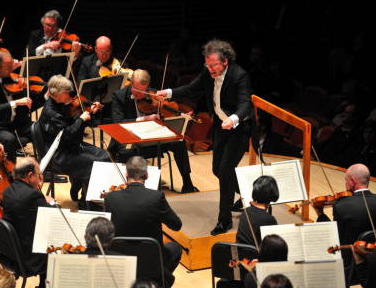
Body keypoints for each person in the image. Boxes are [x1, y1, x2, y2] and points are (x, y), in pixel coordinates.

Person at [156, 39, 253, 235]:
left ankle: (224, 220)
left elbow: (245, 104)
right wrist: (168, 93)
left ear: (225, 61)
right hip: (220, 125)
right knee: (217, 169)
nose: (210, 69)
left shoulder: (240, 76)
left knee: (225, 171)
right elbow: (192, 88)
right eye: (207, 65)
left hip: (239, 128)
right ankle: (249, 196)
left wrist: (233, 119)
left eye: (213, 65)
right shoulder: (208, 72)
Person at [110, 68, 198, 193]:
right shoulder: (119, 96)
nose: (140, 94)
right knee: (125, 152)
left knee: (179, 142)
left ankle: (187, 183)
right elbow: (118, 123)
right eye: (136, 89)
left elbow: (168, 111)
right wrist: (144, 119)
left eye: (143, 90)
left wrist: (182, 115)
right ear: (131, 83)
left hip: (151, 138)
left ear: (147, 87)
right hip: (130, 139)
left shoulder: (154, 95)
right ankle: (131, 189)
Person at [104, 156, 182, 288]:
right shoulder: (156, 197)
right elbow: (176, 225)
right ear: (146, 175)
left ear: (126, 175)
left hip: (120, 258)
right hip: (151, 261)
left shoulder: (110, 198)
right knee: (175, 248)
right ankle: (155, 283)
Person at [38, 74, 109, 206]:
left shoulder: (60, 104)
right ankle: (85, 201)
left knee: (105, 156)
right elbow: (68, 134)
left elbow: (72, 125)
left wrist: (90, 112)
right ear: (56, 93)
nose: (70, 96)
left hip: (69, 146)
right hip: (58, 154)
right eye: (66, 93)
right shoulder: (51, 111)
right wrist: (81, 119)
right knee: (95, 163)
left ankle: (77, 182)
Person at [314, 163, 376, 275]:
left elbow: (335, 236)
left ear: (352, 181)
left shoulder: (341, 206)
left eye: (346, 180)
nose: (345, 184)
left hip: (350, 265)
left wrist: (320, 213)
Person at [2, 157, 55, 288]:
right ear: (30, 176)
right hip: (27, 259)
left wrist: (39, 194)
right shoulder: (32, 196)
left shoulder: (9, 191)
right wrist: (51, 202)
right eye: (39, 175)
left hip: (10, 252)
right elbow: (52, 217)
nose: (40, 177)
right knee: (58, 247)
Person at [0, 51, 38, 163]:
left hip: (16, 122)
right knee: (8, 139)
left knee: (38, 128)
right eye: (9, 66)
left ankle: (47, 165)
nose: (12, 69)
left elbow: (29, 105)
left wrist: (34, 92)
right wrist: (16, 102)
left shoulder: (11, 78)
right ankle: (11, 172)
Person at [77, 35, 133, 100]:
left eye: (107, 52)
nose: (104, 56)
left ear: (111, 50)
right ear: (96, 49)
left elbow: (125, 91)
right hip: (91, 101)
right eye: (101, 52)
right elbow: (80, 84)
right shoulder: (87, 61)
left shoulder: (121, 65)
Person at [236, 176, 279, 246]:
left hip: (241, 252)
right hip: (255, 255)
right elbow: (273, 245)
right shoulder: (269, 219)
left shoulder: (246, 211)